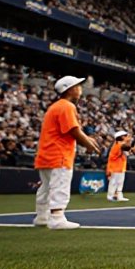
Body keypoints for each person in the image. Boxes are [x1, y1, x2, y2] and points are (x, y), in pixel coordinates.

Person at [33, 76, 100, 230]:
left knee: (46, 186)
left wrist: (86, 140)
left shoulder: (55, 106)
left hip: (46, 154)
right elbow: (73, 130)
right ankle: (57, 217)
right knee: (59, 185)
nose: (80, 90)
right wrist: (88, 143)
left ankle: (42, 216)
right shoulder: (67, 106)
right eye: (78, 86)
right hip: (59, 154)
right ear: (71, 89)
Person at [106, 130, 131, 202]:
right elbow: (126, 148)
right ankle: (110, 196)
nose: (127, 137)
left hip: (120, 167)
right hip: (115, 167)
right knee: (114, 183)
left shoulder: (119, 144)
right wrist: (128, 141)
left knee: (120, 183)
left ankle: (119, 196)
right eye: (126, 136)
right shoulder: (118, 145)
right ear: (122, 137)